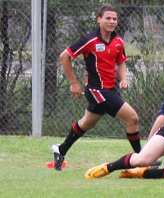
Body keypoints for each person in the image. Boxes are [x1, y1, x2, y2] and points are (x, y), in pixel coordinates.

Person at [51, 5, 142, 171]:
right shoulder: (89, 40)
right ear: (99, 19)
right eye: (108, 18)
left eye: (114, 19)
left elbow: (120, 61)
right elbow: (64, 56)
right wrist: (73, 82)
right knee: (132, 118)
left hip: (110, 90)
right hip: (96, 91)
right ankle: (143, 159)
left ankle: (61, 149)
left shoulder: (118, 41)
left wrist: (123, 79)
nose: (112, 21)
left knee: (86, 124)